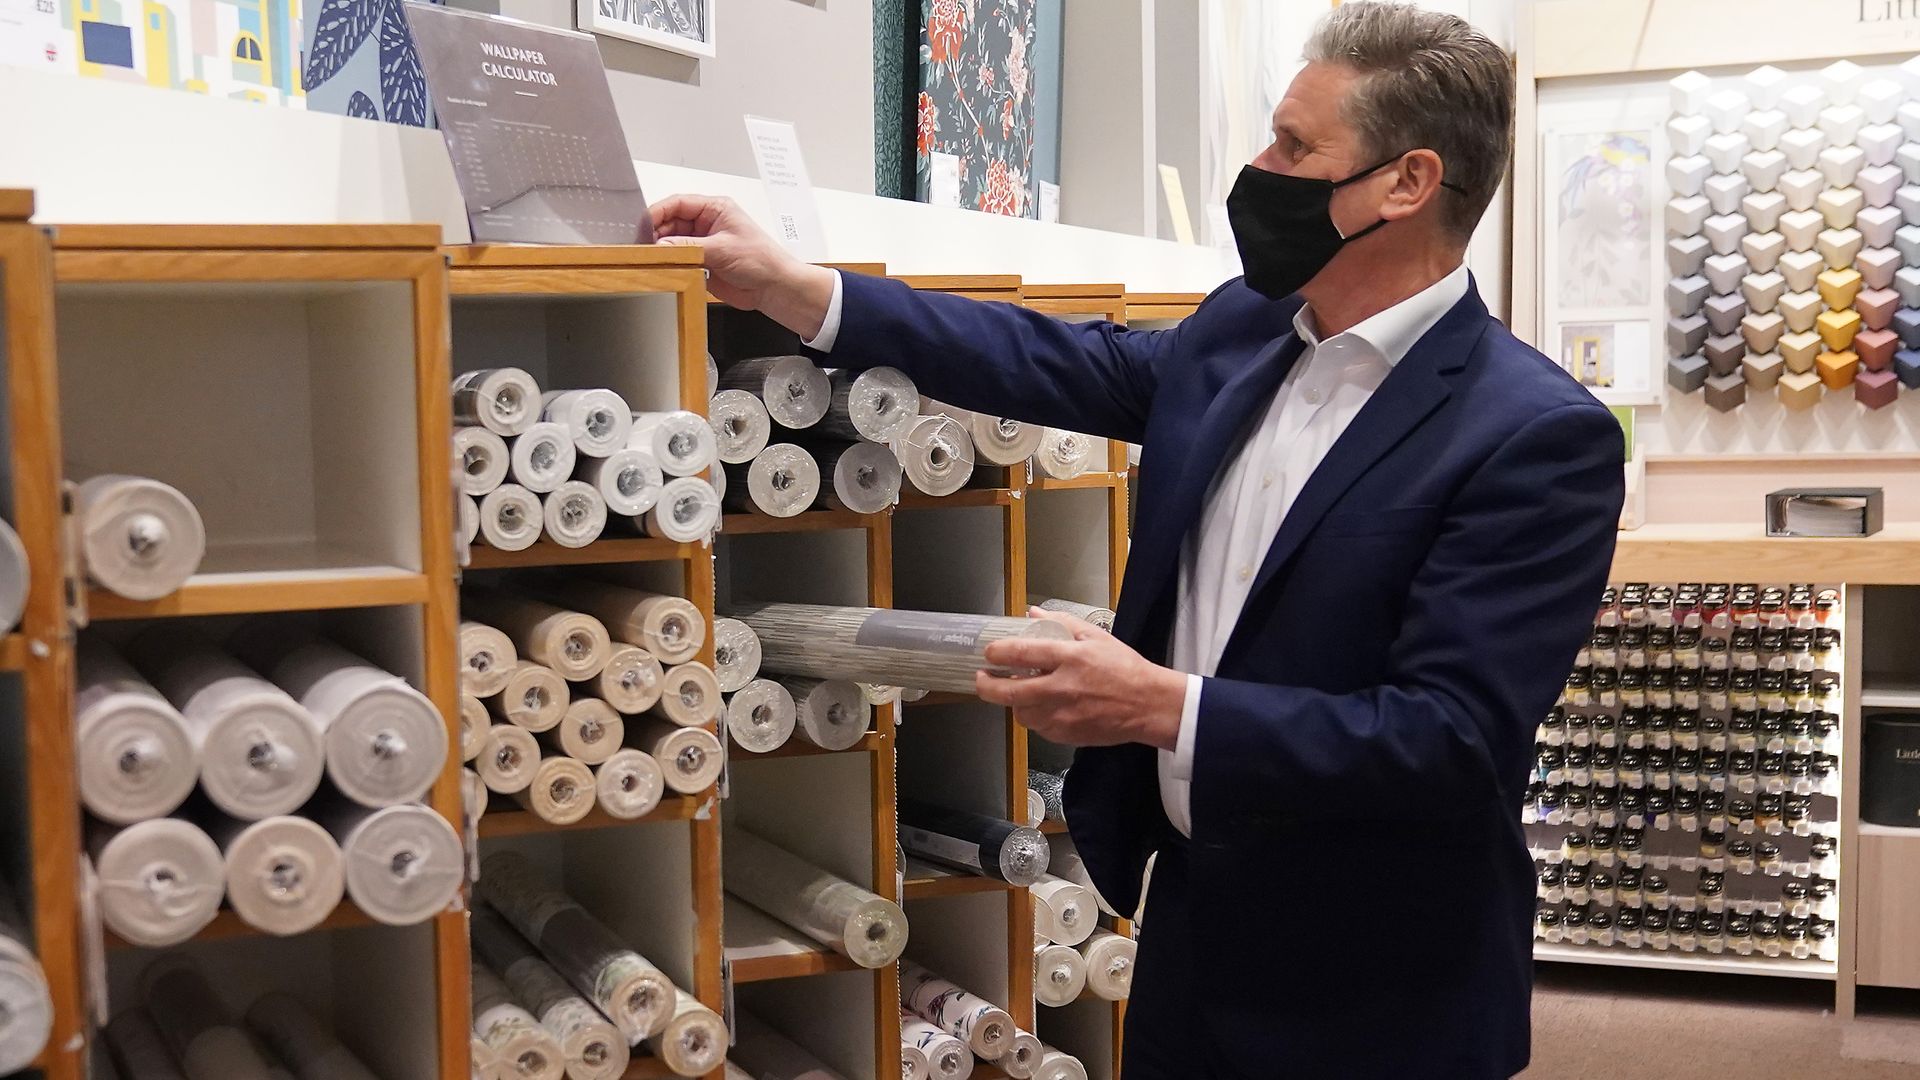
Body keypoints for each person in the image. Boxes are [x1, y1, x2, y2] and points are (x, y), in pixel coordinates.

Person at [653, 3, 1623, 1076]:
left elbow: (1450, 744)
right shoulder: (1246, 332)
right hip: (1192, 935)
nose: (1259, 169)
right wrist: (798, 292)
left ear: (1408, 183)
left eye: (1297, 148)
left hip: (1377, 979)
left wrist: (1158, 705)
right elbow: (1049, 360)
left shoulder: (1533, 435)